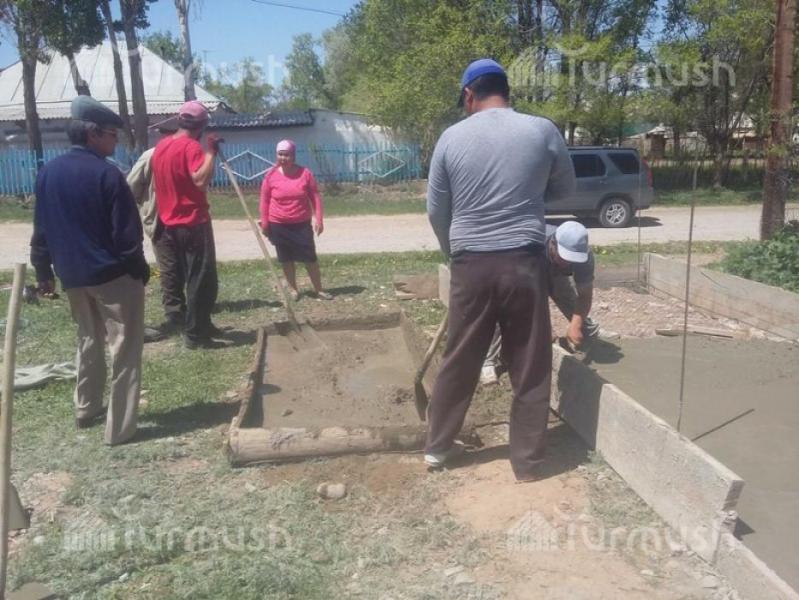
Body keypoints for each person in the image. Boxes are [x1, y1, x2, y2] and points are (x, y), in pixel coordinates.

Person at [425, 58, 576, 481]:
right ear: (506, 91)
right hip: (524, 262)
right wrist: (527, 193)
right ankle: (527, 463)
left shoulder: (450, 138)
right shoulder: (541, 130)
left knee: (460, 356)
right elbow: (566, 189)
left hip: (471, 264)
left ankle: (437, 448)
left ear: (468, 95)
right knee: (529, 360)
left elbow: (437, 211)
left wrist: (454, 253)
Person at [30, 96, 149, 445]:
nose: (115, 141)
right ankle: (120, 429)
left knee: (88, 340)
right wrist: (138, 270)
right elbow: (127, 234)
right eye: (112, 134)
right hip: (112, 277)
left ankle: (86, 406)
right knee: (124, 349)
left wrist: (43, 270)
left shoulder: (48, 172)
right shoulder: (107, 174)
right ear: (93, 133)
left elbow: (41, 228)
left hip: (72, 276)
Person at [480, 221, 618, 385]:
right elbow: (527, 296)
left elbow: (585, 296)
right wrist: (544, 327)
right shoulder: (531, 247)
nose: (568, 263)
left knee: (567, 297)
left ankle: (589, 330)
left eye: (572, 260)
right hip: (513, 270)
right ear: (553, 244)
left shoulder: (584, 257)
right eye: (564, 257)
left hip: (552, 270)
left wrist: (575, 325)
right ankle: (488, 362)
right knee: (502, 310)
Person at [151, 101, 222, 349]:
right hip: (193, 222)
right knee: (202, 280)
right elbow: (200, 180)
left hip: (169, 223)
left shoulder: (162, 146)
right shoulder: (191, 147)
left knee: (192, 277)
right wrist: (211, 152)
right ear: (201, 126)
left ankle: (203, 324)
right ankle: (195, 336)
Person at [127, 126, 183, 337]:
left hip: (186, 219)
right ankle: (174, 311)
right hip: (161, 220)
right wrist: (147, 204)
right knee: (169, 267)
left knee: (185, 265)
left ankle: (188, 306)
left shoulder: (188, 154)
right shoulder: (151, 156)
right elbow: (131, 186)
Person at [259, 139, 331, 300]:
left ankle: (319, 290)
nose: (283, 158)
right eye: (280, 154)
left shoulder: (305, 174)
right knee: (286, 259)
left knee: (310, 258)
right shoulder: (270, 175)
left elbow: (315, 197)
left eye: (287, 155)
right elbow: (264, 201)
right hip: (278, 224)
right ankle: (293, 290)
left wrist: (319, 219)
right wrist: (265, 223)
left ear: (293, 156)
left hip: (301, 224)